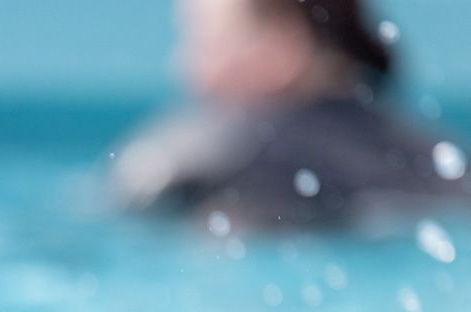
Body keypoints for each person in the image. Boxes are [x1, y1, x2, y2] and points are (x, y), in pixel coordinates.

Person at [112, 0, 471, 228]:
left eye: (202, 40)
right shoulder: (445, 161)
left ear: (283, 44)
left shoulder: (208, 158)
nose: (184, 68)